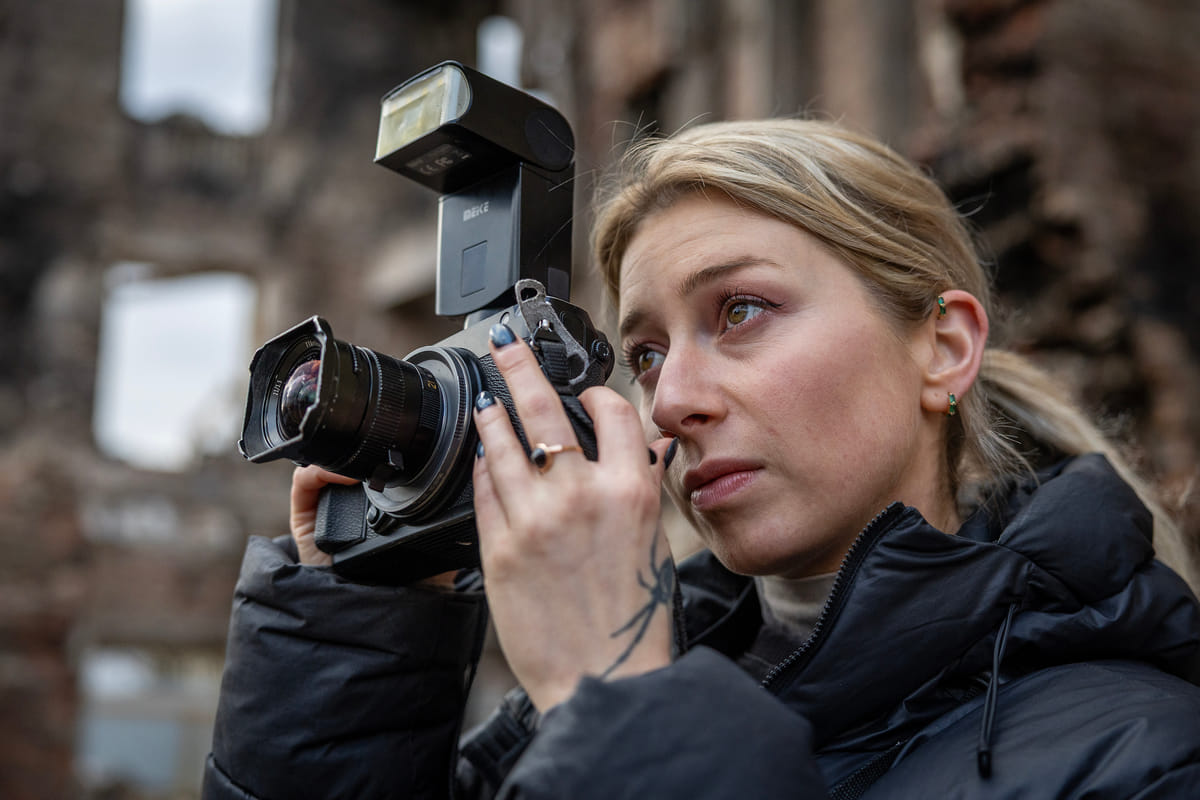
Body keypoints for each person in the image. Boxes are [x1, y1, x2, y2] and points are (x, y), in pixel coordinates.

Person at [202, 118, 1200, 799]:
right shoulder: (554, 728)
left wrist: (619, 691)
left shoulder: (1143, 753)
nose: (671, 400)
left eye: (742, 310)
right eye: (643, 354)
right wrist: (362, 637)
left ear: (941, 347)